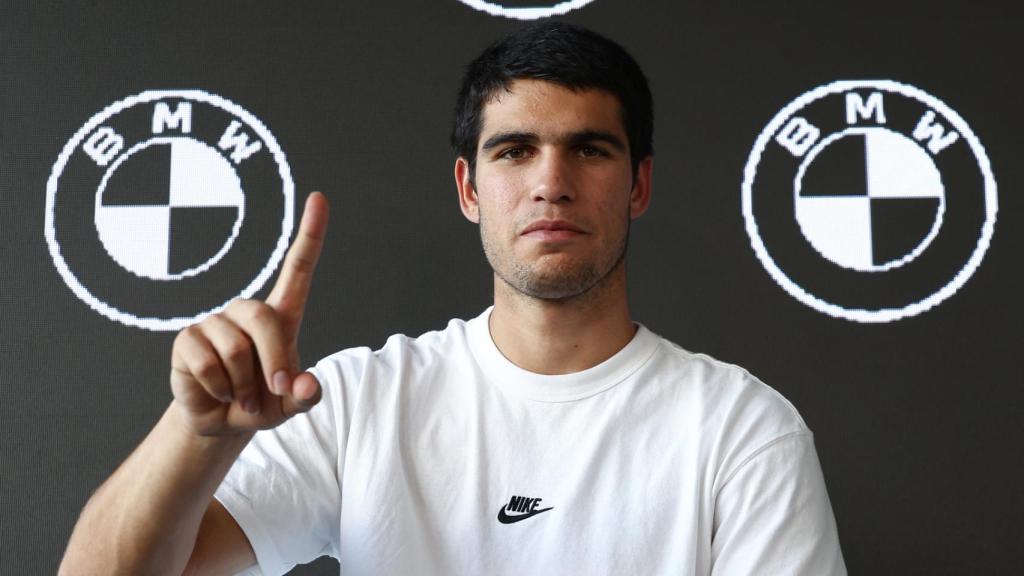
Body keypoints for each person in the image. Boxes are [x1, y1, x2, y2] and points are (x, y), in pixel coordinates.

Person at [60, 22, 846, 576]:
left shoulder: (745, 431)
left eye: (589, 149)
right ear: (470, 188)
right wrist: (197, 435)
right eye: (515, 150)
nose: (550, 182)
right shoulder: (363, 401)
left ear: (637, 184)